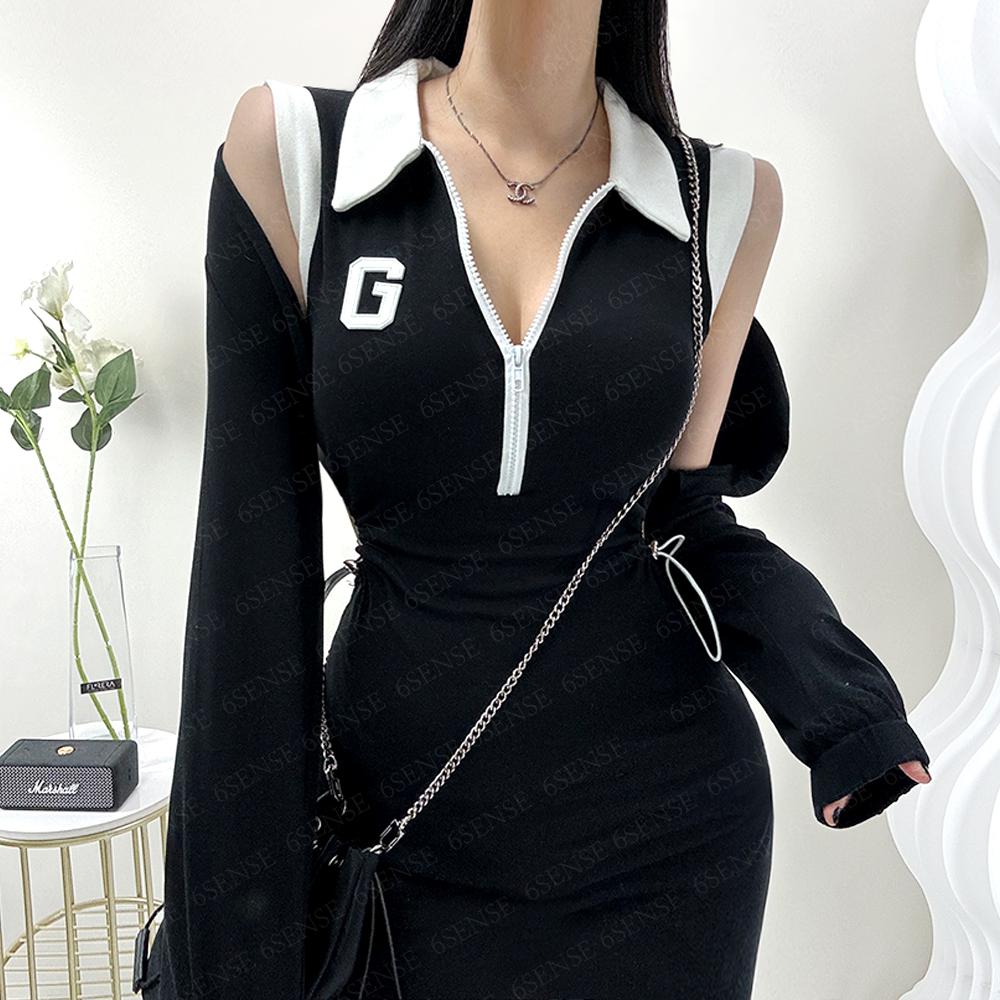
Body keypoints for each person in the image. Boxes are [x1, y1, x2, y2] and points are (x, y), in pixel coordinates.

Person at [140, 2, 932, 998]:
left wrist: (844, 709)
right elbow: (248, 586)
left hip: (666, 849)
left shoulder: (721, 200)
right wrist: (228, 964)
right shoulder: (303, 154)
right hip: (403, 840)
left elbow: (679, 525)